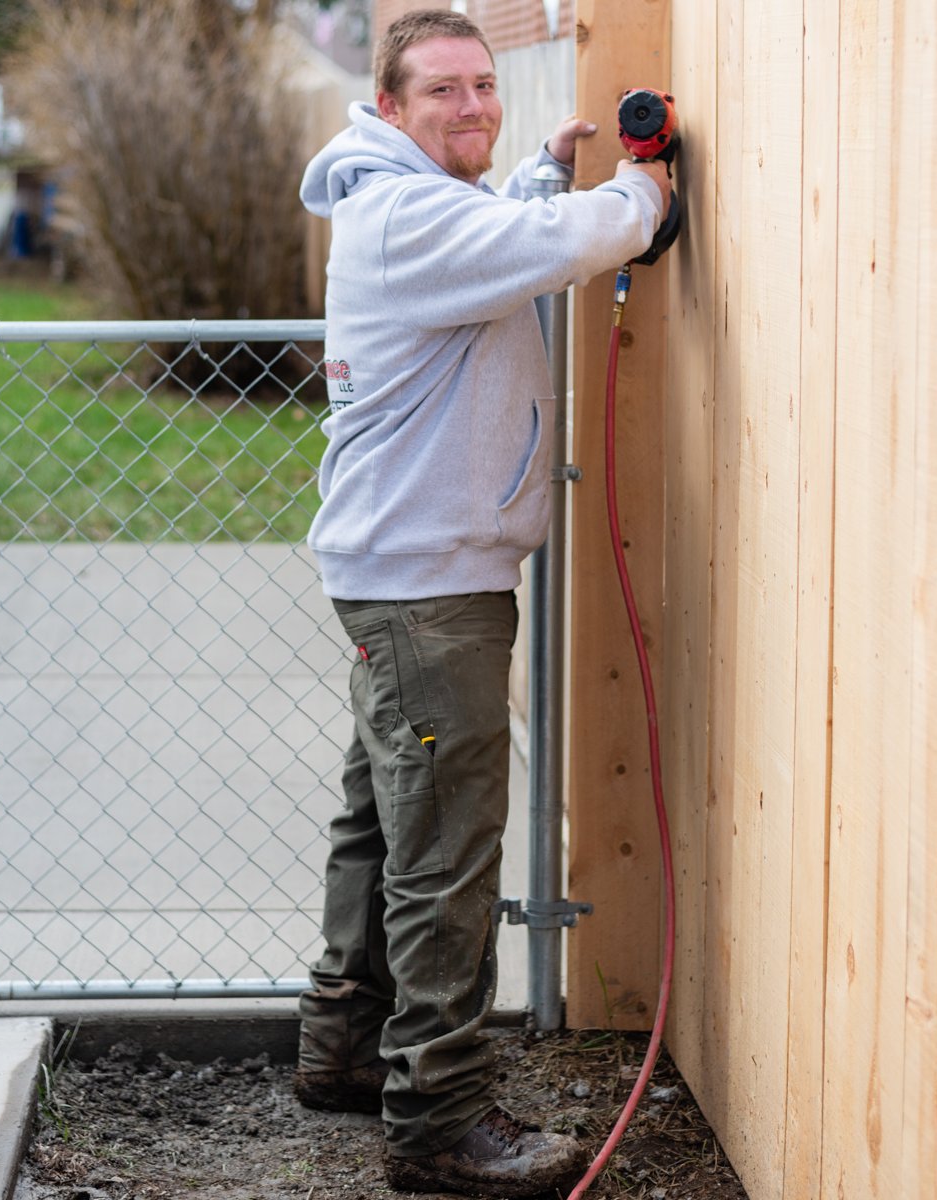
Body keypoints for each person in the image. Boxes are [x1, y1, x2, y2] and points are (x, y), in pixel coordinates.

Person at [291, 9, 670, 1197]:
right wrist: (644, 194)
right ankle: (438, 1123)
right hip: (429, 593)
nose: (472, 104)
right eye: (443, 91)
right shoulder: (405, 216)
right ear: (390, 110)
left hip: (396, 577)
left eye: (483, 85)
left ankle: (346, 1046)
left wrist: (536, 174)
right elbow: (555, 245)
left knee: (383, 826)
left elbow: (498, 231)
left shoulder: (406, 205)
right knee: (446, 857)